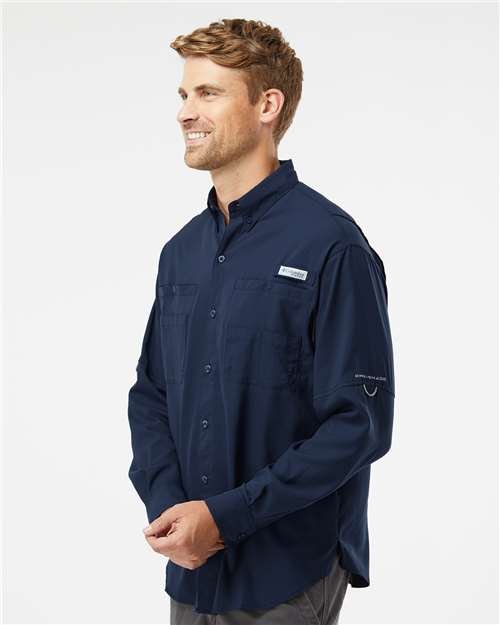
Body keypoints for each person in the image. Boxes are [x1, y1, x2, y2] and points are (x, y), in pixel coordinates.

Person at [127, 17, 395, 625]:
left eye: (208, 93)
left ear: (267, 105)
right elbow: (151, 394)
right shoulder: (181, 253)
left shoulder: (331, 246)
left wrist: (226, 518)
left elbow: (359, 424)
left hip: (288, 568)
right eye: (183, 94)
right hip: (193, 572)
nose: (185, 112)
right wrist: (172, 509)